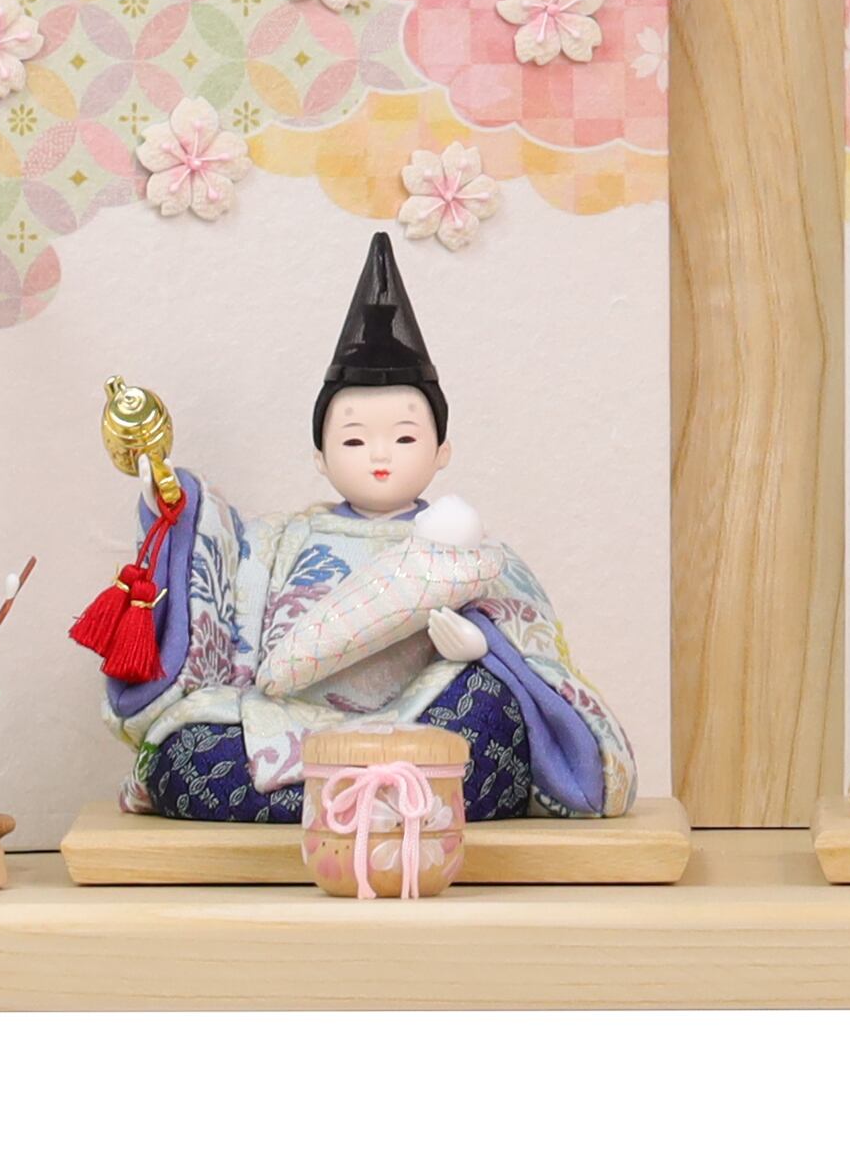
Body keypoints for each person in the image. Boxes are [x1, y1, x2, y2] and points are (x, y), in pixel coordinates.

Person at [89, 231, 635, 822]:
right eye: (353, 439)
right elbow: (219, 569)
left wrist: (484, 647)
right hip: (293, 726)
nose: (380, 454)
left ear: (442, 451)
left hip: (422, 722)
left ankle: (340, 803)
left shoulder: (473, 552)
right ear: (321, 458)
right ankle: (389, 803)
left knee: (490, 706)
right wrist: (176, 501)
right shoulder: (281, 540)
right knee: (185, 753)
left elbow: (531, 643)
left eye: (404, 437)